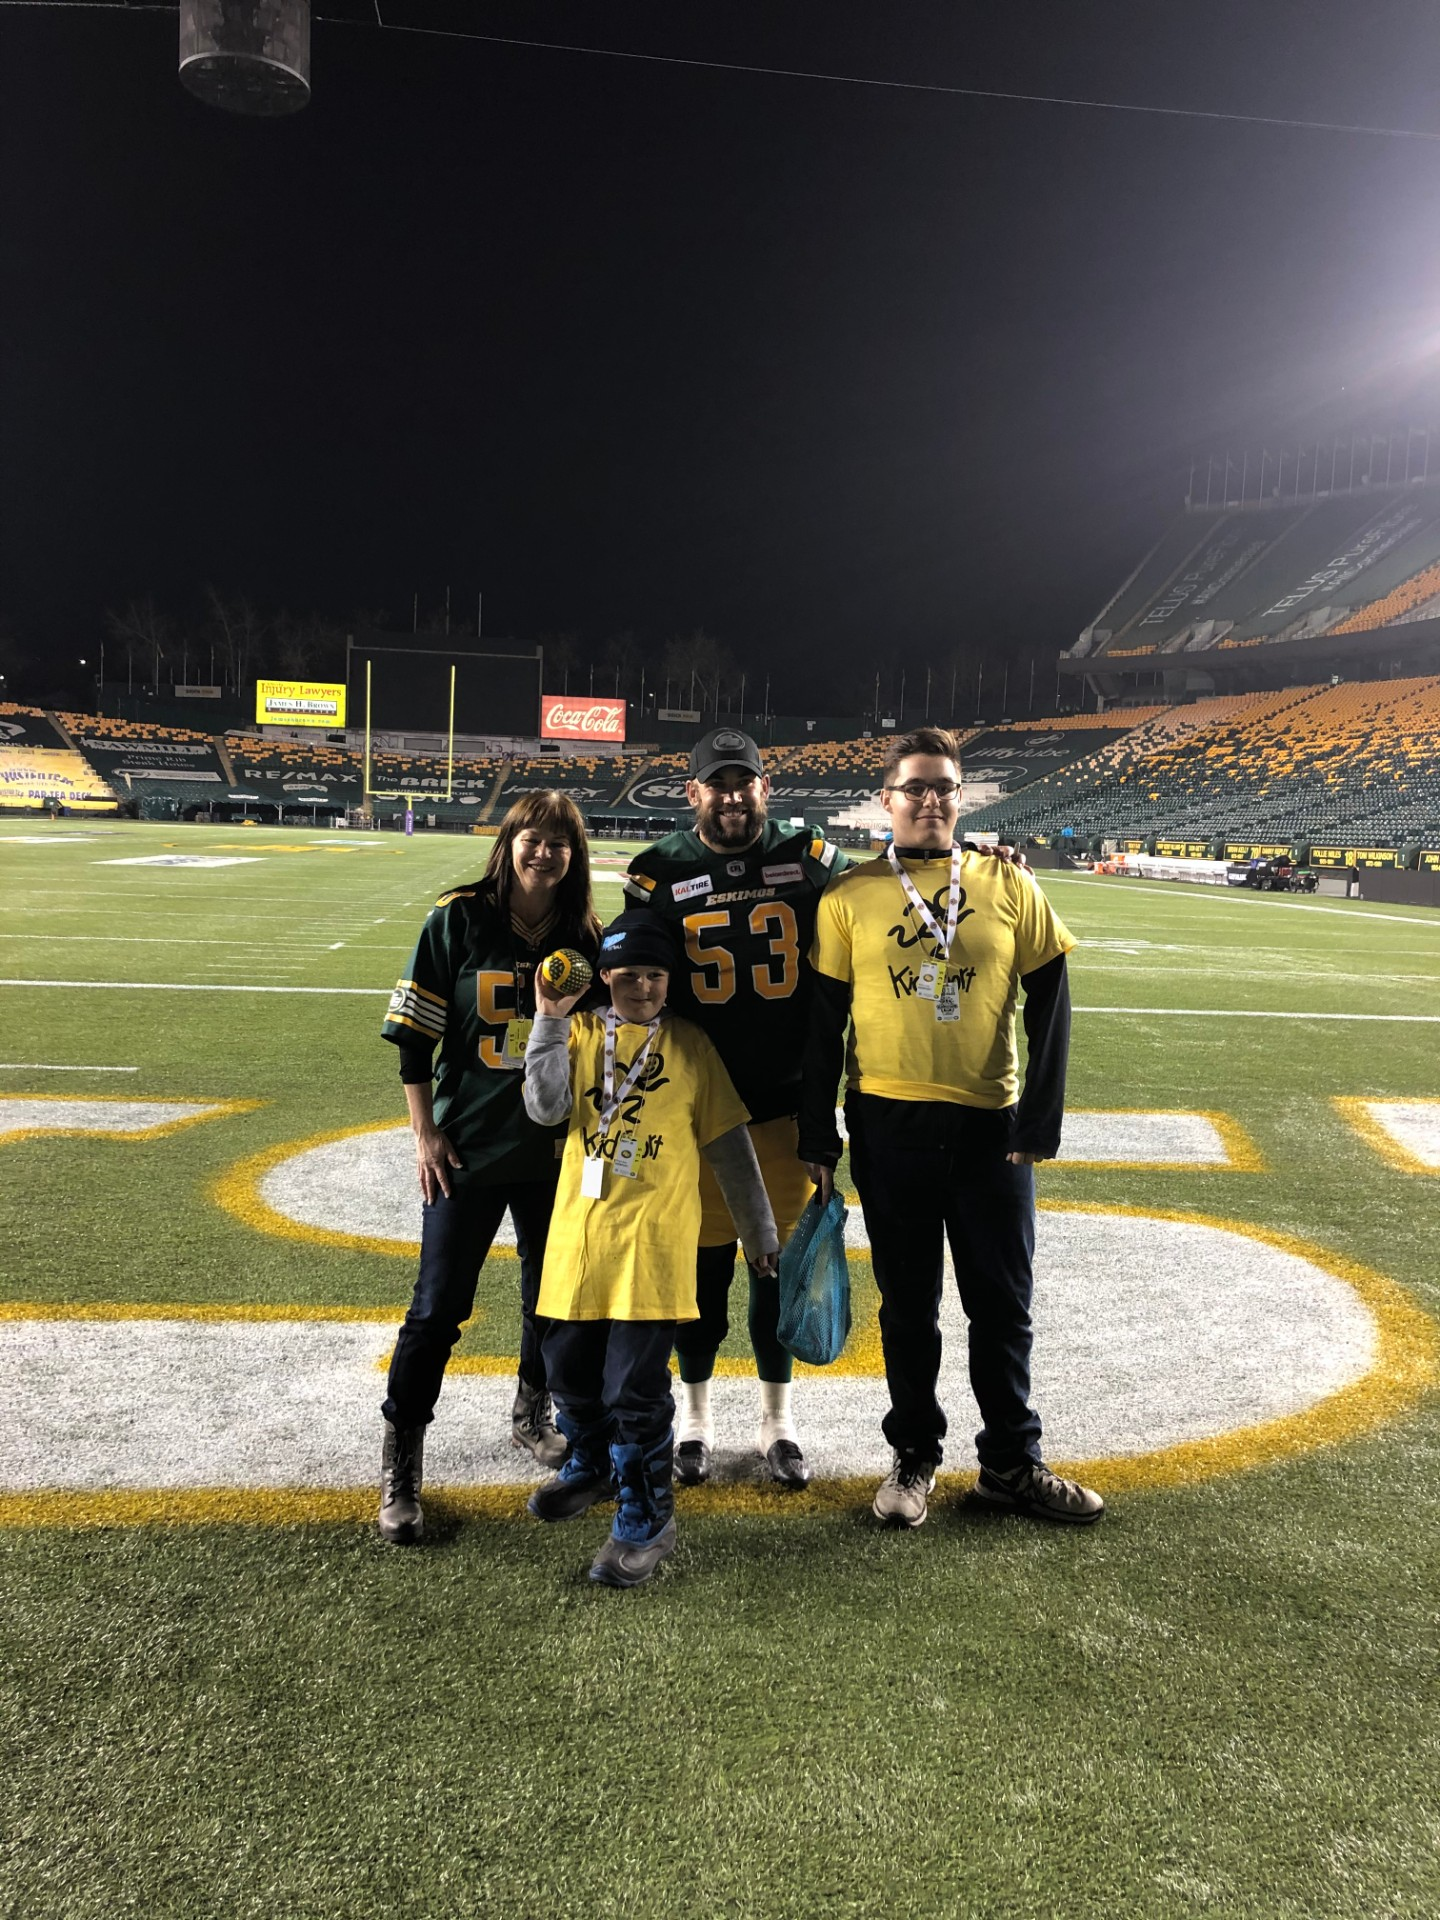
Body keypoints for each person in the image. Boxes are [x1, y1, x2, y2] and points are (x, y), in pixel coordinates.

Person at [798, 725, 1103, 1530]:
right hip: (888, 1123)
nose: (929, 800)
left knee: (1002, 1306)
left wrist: (1040, 1118)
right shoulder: (849, 895)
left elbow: (1053, 998)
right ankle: (914, 1453)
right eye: (914, 788)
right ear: (887, 801)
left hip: (989, 1128)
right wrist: (817, 1136)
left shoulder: (1008, 883)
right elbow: (821, 1026)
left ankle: (1011, 1463)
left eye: (943, 787)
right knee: (908, 1308)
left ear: (961, 798)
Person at [623, 726, 850, 1490]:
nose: (731, 797)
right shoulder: (657, 872)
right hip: (698, 1113)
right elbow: (631, 975)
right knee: (700, 1276)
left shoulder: (809, 856)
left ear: (764, 787)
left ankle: (777, 1422)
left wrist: (970, 864)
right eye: (716, 784)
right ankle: (695, 1419)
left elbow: (880, 893)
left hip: (784, 1108)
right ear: (693, 792)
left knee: (774, 1274)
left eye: (742, 782)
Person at [521, 911, 778, 1587]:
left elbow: (729, 1145)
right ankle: (591, 1463)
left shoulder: (691, 1045)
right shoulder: (577, 1031)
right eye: (629, 974)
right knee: (567, 1372)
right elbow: (545, 1109)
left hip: (653, 1247)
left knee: (634, 1388)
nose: (643, 987)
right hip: (579, 1240)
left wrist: (759, 1232)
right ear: (604, 976)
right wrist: (548, 1018)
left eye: (656, 975)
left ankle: (647, 1515)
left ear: (670, 981)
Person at [376, 790, 603, 1545]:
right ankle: (402, 1458)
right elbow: (416, 1040)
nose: (544, 852)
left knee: (551, 1296)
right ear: (507, 843)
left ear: (574, 856)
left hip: (553, 1151)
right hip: (468, 1145)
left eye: (559, 842)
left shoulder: (583, 935)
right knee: (437, 1307)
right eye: (532, 837)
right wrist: (424, 1134)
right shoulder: (458, 917)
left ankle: (531, 1411)